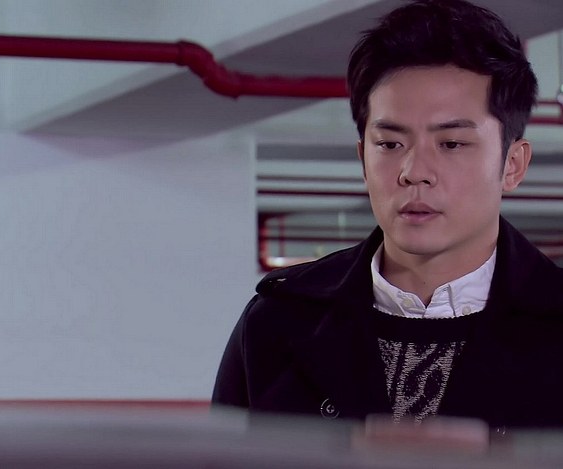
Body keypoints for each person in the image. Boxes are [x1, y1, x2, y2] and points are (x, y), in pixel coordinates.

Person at [212, 0, 563, 428]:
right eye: (390, 144)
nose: (414, 171)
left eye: (451, 144)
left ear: (513, 165)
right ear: (363, 157)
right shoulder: (277, 322)